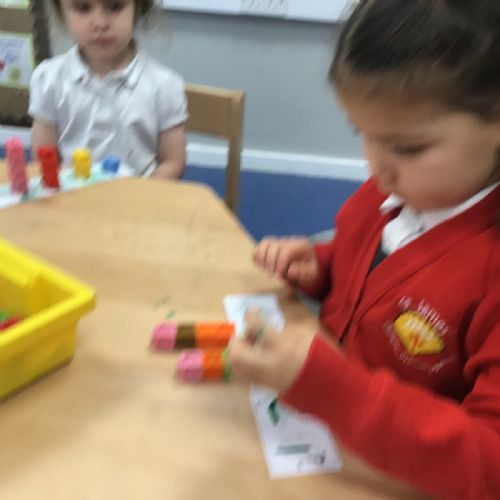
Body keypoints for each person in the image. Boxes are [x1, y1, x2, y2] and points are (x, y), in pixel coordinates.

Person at [228, 1, 500, 498]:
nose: (375, 168)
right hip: (330, 447)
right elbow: (378, 278)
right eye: (362, 134)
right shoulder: (393, 194)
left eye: (406, 148)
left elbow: (490, 464)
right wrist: (322, 268)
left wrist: (332, 389)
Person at [29, 0, 187, 179]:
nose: (100, 23)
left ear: (137, 10)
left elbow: (173, 162)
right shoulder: (49, 80)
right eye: (83, 8)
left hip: (141, 192)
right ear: (62, 13)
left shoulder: (164, 85)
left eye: (115, 7)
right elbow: (43, 157)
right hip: (72, 192)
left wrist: (142, 193)